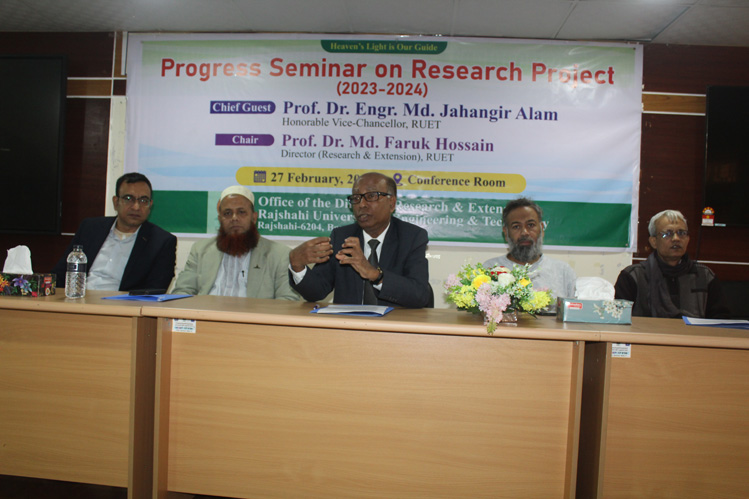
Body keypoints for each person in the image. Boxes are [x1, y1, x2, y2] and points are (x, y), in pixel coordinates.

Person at [289, 172, 432, 308]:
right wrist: (297, 266)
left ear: (392, 203)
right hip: (349, 323)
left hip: (393, 323)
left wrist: (376, 275)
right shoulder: (341, 237)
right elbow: (316, 292)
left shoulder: (412, 237)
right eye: (356, 198)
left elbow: (419, 295)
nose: (361, 204)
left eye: (371, 196)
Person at [52, 172, 177, 292]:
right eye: (129, 199)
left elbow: (154, 291)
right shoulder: (90, 228)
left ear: (150, 205)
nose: (136, 207)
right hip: (79, 299)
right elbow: (61, 273)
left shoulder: (161, 242)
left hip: (121, 304)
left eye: (143, 201)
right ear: (116, 202)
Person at [171, 185, 298, 300]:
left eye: (241, 212)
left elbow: (288, 300)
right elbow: (182, 292)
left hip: (253, 317)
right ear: (220, 219)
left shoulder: (279, 254)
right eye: (227, 213)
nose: (234, 218)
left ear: (254, 217)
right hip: (206, 315)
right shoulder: (200, 250)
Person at [614, 209, 729, 318]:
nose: (676, 238)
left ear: (688, 239)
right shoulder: (633, 276)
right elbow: (619, 320)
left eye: (681, 233)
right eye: (667, 234)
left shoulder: (705, 276)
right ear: (653, 242)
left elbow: (721, 321)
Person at [484, 197, 576, 313]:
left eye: (531, 225)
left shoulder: (563, 271)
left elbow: (574, 314)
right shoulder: (490, 269)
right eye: (516, 227)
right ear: (506, 233)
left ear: (542, 229)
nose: (524, 232)